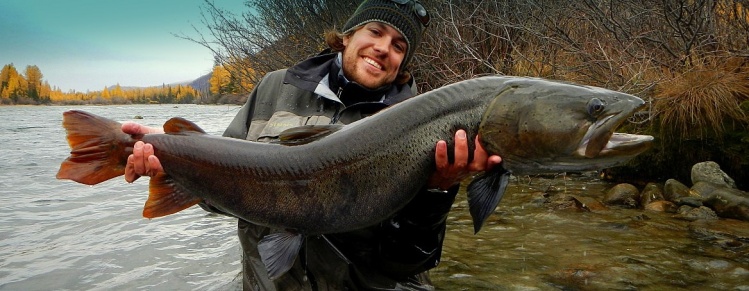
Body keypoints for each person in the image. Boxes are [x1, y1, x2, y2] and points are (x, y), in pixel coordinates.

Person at [122, 0, 501, 289]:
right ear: (348, 34)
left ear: (403, 62)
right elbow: (223, 192)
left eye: (399, 45)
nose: (385, 48)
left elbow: (405, 264)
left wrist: (438, 190)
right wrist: (173, 157)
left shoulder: (425, 128)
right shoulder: (275, 87)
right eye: (375, 31)